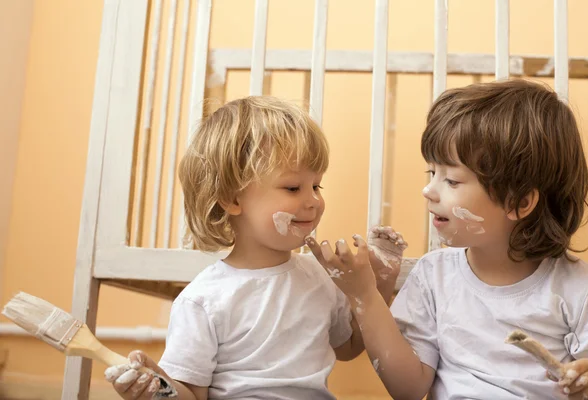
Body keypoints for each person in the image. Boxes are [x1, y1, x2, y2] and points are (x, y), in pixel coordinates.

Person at [307, 79, 588, 399]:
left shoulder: (582, 289)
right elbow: (407, 389)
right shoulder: (434, 278)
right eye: (431, 174)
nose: (429, 191)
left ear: (519, 203)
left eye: (452, 180)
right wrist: (365, 294)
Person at [104, 95, 406, 400]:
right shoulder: (203, 300)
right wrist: (158, 388)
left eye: (317, 186)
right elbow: (191, 394)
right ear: (233, 200)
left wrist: (378, 284)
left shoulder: (319, 277)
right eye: (292, 188)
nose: (313, 200)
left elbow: (349, 347)